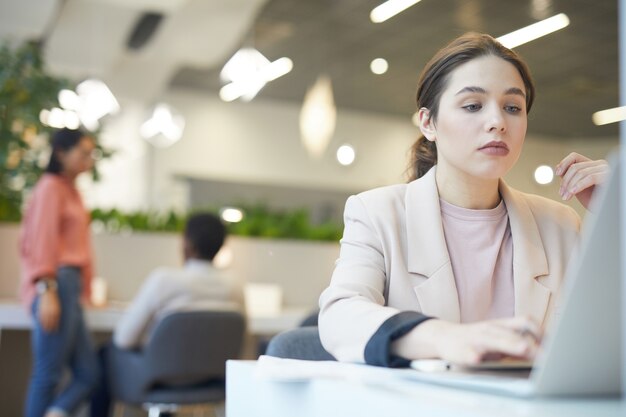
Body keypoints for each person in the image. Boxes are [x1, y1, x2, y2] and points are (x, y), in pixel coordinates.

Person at [318, 32, 609, 368]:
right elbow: (339, 316)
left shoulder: (558, 224)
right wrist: (445, 338)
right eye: (473, 106)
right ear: (428, 122)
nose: (498, 122)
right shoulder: (377, 213)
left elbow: (609, 336)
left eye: (512, 107)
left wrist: (617, 214)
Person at [91, 212, 239, 417]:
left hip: (154, 380)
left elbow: (123, 339)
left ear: (187, 244)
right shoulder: (235, 286)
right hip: (212, 381)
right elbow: (241, 344)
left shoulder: (164, 280)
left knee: (105, 353)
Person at [20, 128, 99, 417]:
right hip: (57, 283)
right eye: (83, 153)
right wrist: (47, 290)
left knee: (88, 373)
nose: (89, 161)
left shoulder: (71, 191)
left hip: (70, 286)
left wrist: (86, 290)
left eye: (91, 154)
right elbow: (41, 242)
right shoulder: (51, 188)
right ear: (61, 153)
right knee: (48, 375)